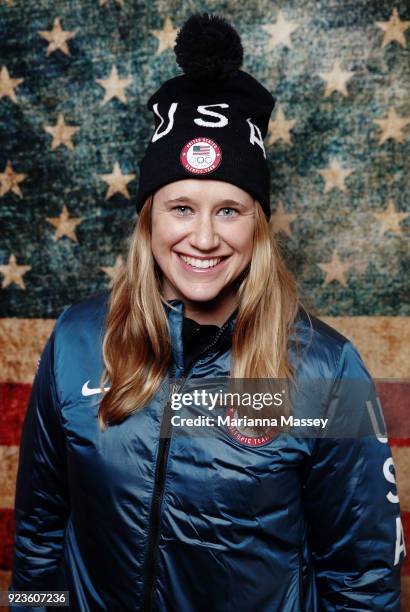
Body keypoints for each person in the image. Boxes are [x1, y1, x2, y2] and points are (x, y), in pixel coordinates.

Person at [9, 12, 405, 612]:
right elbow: (40, 534)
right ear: (149, 219)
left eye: (228, 210)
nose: (203, 238)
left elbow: (362, 581)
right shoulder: (77, 339)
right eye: (180, 207)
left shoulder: (328, 371)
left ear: (258, 225)